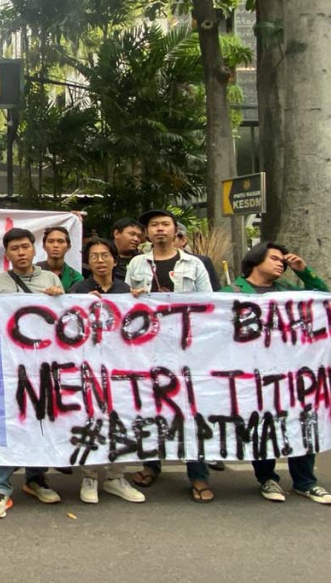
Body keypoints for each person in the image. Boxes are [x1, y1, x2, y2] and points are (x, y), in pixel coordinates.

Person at [222, 242, 331, 505]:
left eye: (283, 262)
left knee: (301, 420)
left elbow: (326, 301)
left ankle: (305, 482)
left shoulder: (289, 290)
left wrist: (304, 272)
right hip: (254, 373)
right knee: (262, 424)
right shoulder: (230, 292)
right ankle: (266, 478)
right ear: (255, 259)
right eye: (274, 258)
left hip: (293, 371)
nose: (280, 264)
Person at [125, 209, 214, 501]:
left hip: (186, 348)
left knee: (190, 409)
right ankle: (152, 464)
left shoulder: (195, 264)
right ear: (147, 233)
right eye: (154, 225)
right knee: (151, 407)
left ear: (176, 231)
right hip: (148, 347)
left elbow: (209, 304)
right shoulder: (138, 264)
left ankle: (198, 474)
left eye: (165, 224)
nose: (160, 229)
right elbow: (125, 305)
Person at [0, 228, 65, 517]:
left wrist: (59, 297)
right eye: (14, 248)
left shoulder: (51, 279)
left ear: (34, 250)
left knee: (41, 421)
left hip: (44, 366)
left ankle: (35, 478)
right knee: (6, 426)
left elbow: (64, 322)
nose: (20, 252)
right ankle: (0, 487)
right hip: (9, 369)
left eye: (25, 247)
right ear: (6, 254)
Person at [66, 237, 147, 505]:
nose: (100, 261)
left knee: (122, 419)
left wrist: (139, 301)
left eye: (105, 255)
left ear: (114, 259)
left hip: (122, 369)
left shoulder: (125, 290)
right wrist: (76, 303)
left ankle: (115, 477)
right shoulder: (79, 288)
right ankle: (89, 475)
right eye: (94, 256)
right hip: (88, 368)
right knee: (91, 419)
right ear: (87, 263)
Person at [175, 222, 220, 290]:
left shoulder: (199, 262)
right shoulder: (153, 262)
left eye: (172, 238)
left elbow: (214, 292)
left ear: (183, 240)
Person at [37, 225, 84, 291]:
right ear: (44, 246)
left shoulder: (75, 277)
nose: (55, 245)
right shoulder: (32, 271)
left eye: (60, 241)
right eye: (51, 241)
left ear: (68, 247)